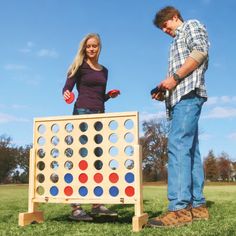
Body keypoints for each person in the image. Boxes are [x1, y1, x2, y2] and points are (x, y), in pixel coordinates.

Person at [149, 6, 210, 227]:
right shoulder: (175, 42)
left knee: (178, 146)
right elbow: (181, 71)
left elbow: (200, 52)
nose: (165, 30)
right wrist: (165, 89)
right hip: (179, 98)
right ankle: (197, 206)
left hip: (188, 96)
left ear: (175, 18)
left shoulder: (191, 25)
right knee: (190, 150)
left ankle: (179, 208)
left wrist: (173, 79)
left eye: (165, 25)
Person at [62, 33, 119, 221]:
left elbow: (99, 96)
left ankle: (96, 204)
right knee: (81, 158)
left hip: (99, 115)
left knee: (98, 159)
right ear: (84, 48)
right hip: (82, 113)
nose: (92, 49)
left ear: (99, 47)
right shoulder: (79, 66)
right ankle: (76, 208)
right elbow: (67, 88)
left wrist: (109, 95)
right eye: (88, 46)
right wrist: (67, 95)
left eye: (95, 46)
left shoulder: (105, 71)